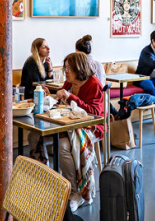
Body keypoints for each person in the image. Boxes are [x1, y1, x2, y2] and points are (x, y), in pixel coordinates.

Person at [34, 52, 103, 211]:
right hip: (68, 125)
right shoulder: (68, 83)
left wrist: (71, 97)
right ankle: (48, 182)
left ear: (79, 68)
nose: (65, 71)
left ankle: (75, 192)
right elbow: (61, 103)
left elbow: (94, 113)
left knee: (63, 145)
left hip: (90, 127)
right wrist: (50, 96)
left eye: (68, 68)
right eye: (65, 67)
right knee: (34, 137)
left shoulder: (94, 84)